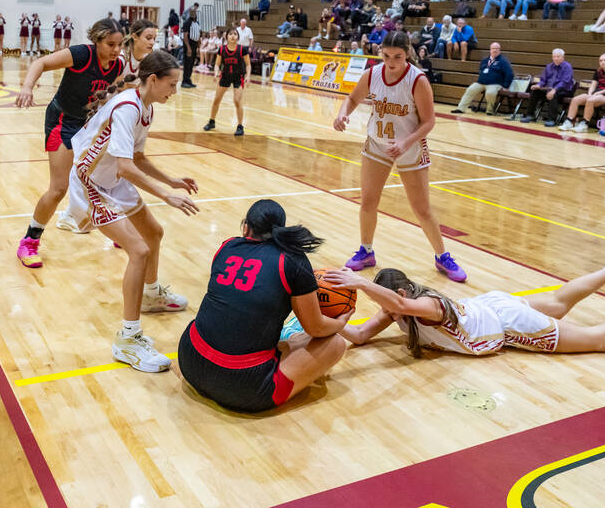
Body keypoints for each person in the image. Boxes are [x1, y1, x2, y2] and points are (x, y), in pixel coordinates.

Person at [66, 50, 198, 372]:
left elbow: (136, 159)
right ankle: (128, 338)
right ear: (153, 80)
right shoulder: (127, 109)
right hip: (90, 183)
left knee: (153, 233)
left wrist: (172, 180)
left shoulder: (146, 107)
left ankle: (151, 295)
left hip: (110, 178)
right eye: (172, 84)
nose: (175, 91)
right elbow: (125, 167)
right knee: (138, 250)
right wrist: (166, 195)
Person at [322, 258, 605, 360]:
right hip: (490, 307)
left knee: (597, 341)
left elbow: (404, 304)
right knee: (559, 302)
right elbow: (355, 335)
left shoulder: (425, 304)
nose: (379, 306)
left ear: (400, 291)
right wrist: (321, 318)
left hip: (506, 323)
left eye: (378, 296)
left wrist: (359, 282)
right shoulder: (398, 309)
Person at [177, 200, 348, 412]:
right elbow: (317, 328)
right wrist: (340, 323)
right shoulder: (293, 261)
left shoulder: (226, 246)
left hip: (189, 361)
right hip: (245, 387)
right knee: (335, 343)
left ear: (246, 227)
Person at [333, 30, 468, 282]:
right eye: (386, 55)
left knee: (421, 208)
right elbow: (352, 98)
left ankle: (442, 256)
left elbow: (429, 122)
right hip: (377, 143)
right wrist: (343, 113)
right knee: (368, 201)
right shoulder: (372, 74)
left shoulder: (417, 80)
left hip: (410, 146)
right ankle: (366, 251)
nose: (391, 61)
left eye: (397, 56)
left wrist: (405, 143)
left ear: (407, 54)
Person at [14, 18, 126, 267]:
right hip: (62, 121)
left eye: (120, 44)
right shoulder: (81, 54)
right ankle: (29, 242)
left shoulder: (117, 66)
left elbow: (113, 96)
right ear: (97, 40)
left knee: (106, 179)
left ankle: (117, 230)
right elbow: (41, 62)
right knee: (58, 188)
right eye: (110, 44)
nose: (116, 50)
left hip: (87, 124)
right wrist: (27, 87)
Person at [203, 28, 250, 136]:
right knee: (216, 100)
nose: (233, 36)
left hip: (239, 77)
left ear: (238, 37)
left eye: (235, 34)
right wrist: (215, 72)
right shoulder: (222, 49)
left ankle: (240, 126)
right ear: (226, 37)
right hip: (225, 76)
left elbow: (248, 64)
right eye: (231, 34)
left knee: (237, 101)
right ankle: (212, 121)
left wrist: (248, 76)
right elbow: (217, 64)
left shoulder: (243, 49)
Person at [560, 53, 605, 133]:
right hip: (596, 93)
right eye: (600, 60)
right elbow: (593, 85)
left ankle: (585, 124)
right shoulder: (598, 71)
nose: (603, 62)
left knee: (590, 100)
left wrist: (597, 94)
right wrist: (590, 93)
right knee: (575, 99)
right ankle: (569, 122)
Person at [452, 42, 514, 115]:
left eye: (497, 49)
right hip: (481, 83)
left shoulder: (503, 61)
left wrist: (506, 86)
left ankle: (490, 110)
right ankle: (461, 108)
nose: (495, 50)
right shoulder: (485, 60)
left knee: (490, 93)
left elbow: (510, 74)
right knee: (470, 89)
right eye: (493, 48)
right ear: (490, 50)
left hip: (495, 84)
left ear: (500, 50)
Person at [521, 48, 574, 125]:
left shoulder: (567, 67)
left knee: (553, 93)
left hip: (564, 90)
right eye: (554, 57)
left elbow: (564, 82)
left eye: (558, 57)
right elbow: (543, 80)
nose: (556, 58)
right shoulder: (549, 67)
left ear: (563, 57)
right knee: (535, 91)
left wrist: (554, 90)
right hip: (549, 89)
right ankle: (530, 115)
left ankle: (552, 119)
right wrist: (538, 85)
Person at [181, 8, 201, 87]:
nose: (194, 14)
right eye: (192, 12)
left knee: (192, 64)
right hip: (189, 45)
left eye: (195, 12)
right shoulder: (187, 23)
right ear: (190, 14)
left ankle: (188, 80)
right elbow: (185, 36)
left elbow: (198, 35)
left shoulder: (197, 23)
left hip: (195, 45)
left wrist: (199, 46)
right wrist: (188, 48)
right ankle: (184, 81)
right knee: (187, 64)